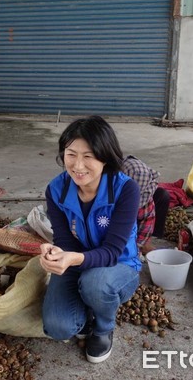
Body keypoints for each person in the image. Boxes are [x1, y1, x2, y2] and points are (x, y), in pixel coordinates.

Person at [39, 115, 141, 364]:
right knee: (58, 327)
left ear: (104, 157)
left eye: (88, 156)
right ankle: (86, 311)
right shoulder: (56, 190)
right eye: (71, 154)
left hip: (118, 266)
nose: (78, 165)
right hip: (78, 262)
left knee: (95, 283)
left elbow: (112, 251)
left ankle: (104, 327)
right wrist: (55, 254)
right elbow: (64, 240)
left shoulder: (125, 190)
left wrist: (73, 258)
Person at [122, 155, 170, 254]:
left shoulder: (146, 195)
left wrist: (140, 245)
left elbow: (148, 218)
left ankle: (151, 239)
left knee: (163, 196)